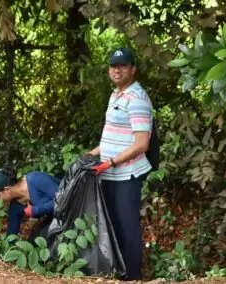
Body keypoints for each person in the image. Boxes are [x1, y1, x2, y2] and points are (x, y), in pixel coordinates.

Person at [87, 47, 153, 281]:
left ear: (133, 69)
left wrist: (111, 162)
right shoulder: (116, 94)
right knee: (112, 225)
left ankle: (133, 277)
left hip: (127, 174)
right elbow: (111, 135)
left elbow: (141, 144)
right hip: (109, 172)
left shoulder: (137, 99)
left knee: (127, 227)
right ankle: (117, 273)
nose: (117, 70)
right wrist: (92, 154)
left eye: (123, 65)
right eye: (114, 66)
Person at [0, 171, 60, 240]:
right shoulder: (15, 206)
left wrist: (36, 211)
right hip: (54, 219)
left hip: (70, 210)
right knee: (35, 240)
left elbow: (63, 198)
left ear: (6, 189)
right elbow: (11, 236)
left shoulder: (35, 179)